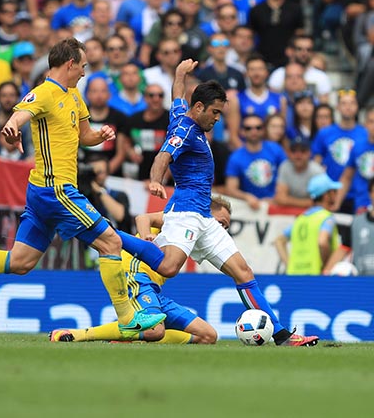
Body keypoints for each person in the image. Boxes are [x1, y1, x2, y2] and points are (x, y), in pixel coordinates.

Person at [0, 38, 167, 336]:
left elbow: (83, 134)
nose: (85, 73)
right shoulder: (45, 92)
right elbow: (21, 114)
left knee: (21, 261)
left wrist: (100, 135)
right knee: (111, 243)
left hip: (42, 191)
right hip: (56, 190)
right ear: (70, 63)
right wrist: (12, 126)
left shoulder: (74, 95)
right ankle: (127, 317)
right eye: (83, 66)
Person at [124, 59, 319, 346]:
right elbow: (163, 156)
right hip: (186, 211)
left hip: (205, 216)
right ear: (200, 108)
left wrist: (180, 74)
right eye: (215, 112)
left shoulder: (183, 115)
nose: (218, 118)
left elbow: (177, 96)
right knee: (168, 268)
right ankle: (112, 238)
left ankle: (280, 335)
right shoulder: (185, 131)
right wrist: (156, 180)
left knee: (243, 272)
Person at [50, 195, 232, 344]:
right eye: (221, 223)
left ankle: (130, 338)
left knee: (208, 336)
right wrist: (146, 237)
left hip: (153, 289)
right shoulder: (184, 219)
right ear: (206, 213)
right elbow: (144, 217)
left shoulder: (198, 239)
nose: (222, 230)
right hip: (135, 273)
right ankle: (77, 334)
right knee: (154, 330)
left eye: (226, 227)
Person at [275, 174, 349, 275]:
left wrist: (289, 265)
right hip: (315, 276)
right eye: (334, 191)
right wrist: (327, 266)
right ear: (326, 195)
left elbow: (279, 241)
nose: (336, 194)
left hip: (293, 276)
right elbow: (322, 242)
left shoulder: (300, 219)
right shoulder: (326, 217)